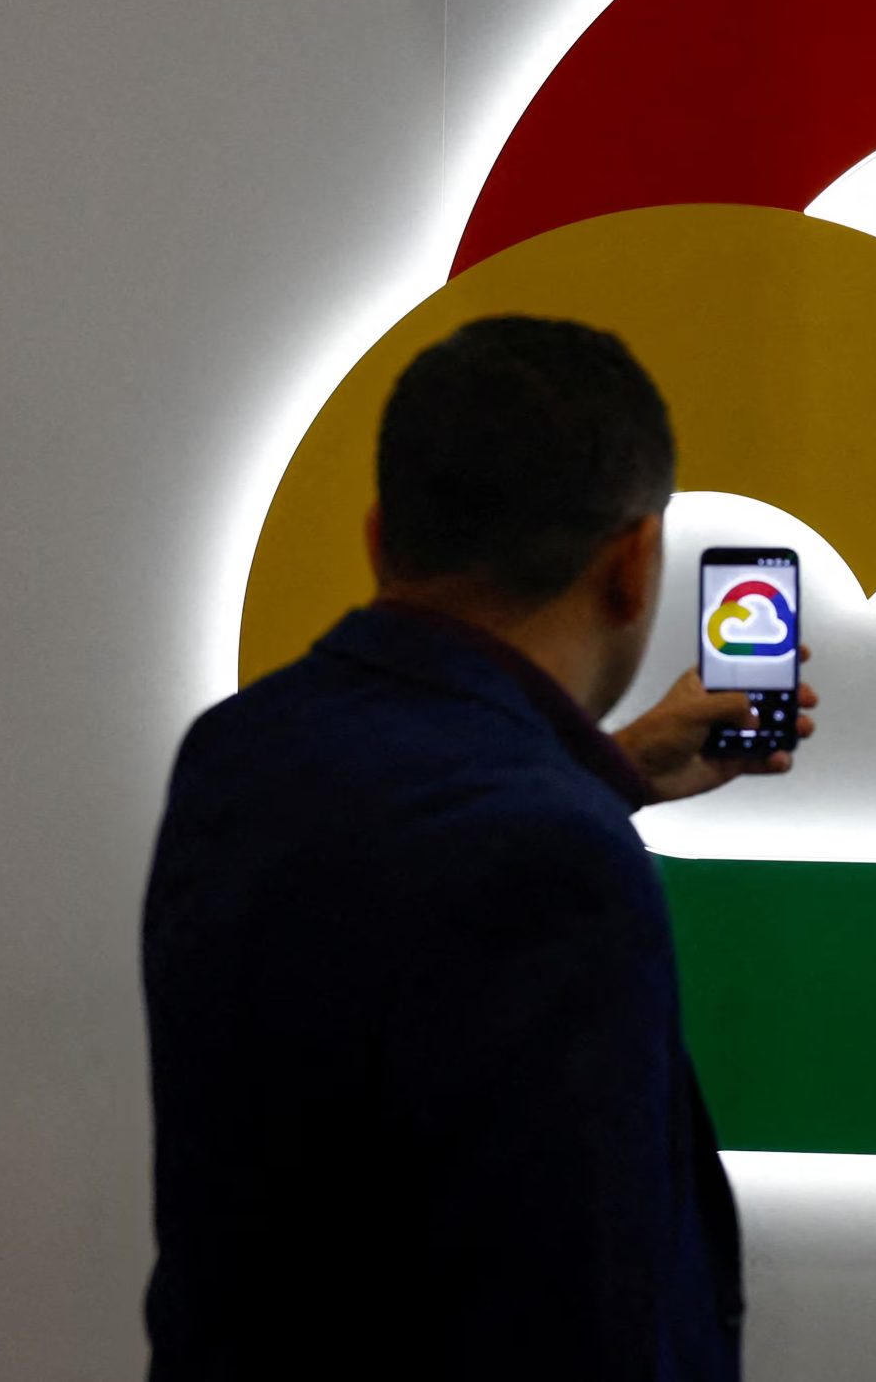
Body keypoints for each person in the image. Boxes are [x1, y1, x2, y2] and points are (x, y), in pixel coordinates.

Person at [141, 316, 813, 1380]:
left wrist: (608, 773)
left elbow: (395, 846)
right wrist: (583, 797)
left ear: (378, 534)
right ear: (634, 565)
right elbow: (578, 1318)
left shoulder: (236, 752)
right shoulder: (555, 862)